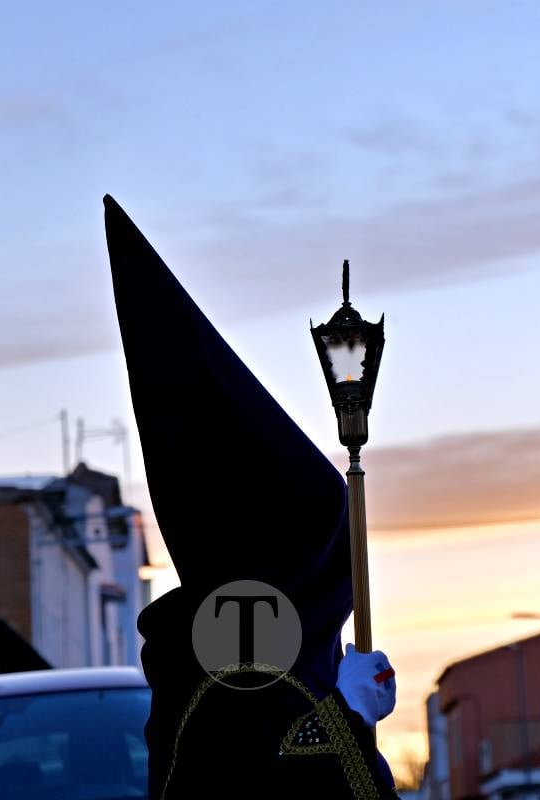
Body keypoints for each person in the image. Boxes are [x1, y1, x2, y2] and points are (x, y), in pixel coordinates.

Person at [104, 195, 399, 798]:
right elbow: (240, 779)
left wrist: (349, 715)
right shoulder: (233, 670)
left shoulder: (273, 658)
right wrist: (346, 715)